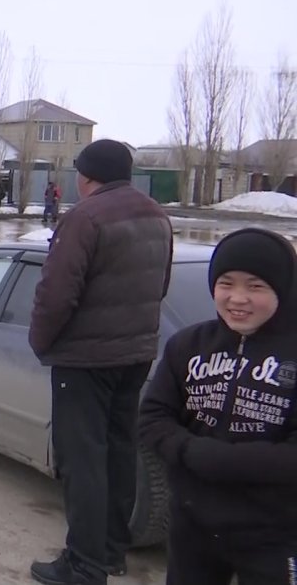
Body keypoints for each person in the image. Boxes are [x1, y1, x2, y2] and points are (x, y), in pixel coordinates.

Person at [28, 139, 173, 584]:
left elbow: (56, 294)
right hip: (135, 356)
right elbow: (161, 284)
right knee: (117, 450)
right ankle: (111, 551)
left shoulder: (84, 218)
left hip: (86, 359)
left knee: (82, 459)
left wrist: (41, 342)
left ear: (87, 177)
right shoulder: (157, 216)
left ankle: (84, 565)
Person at [140, 228, 297, 585]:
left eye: (255, 286)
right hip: (194, 523)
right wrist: (189, 451)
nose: (237, 298)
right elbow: (153, 417)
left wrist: (221, 460)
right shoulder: (188, 345)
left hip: (275, 531)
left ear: (283, 290)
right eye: (226, 283)